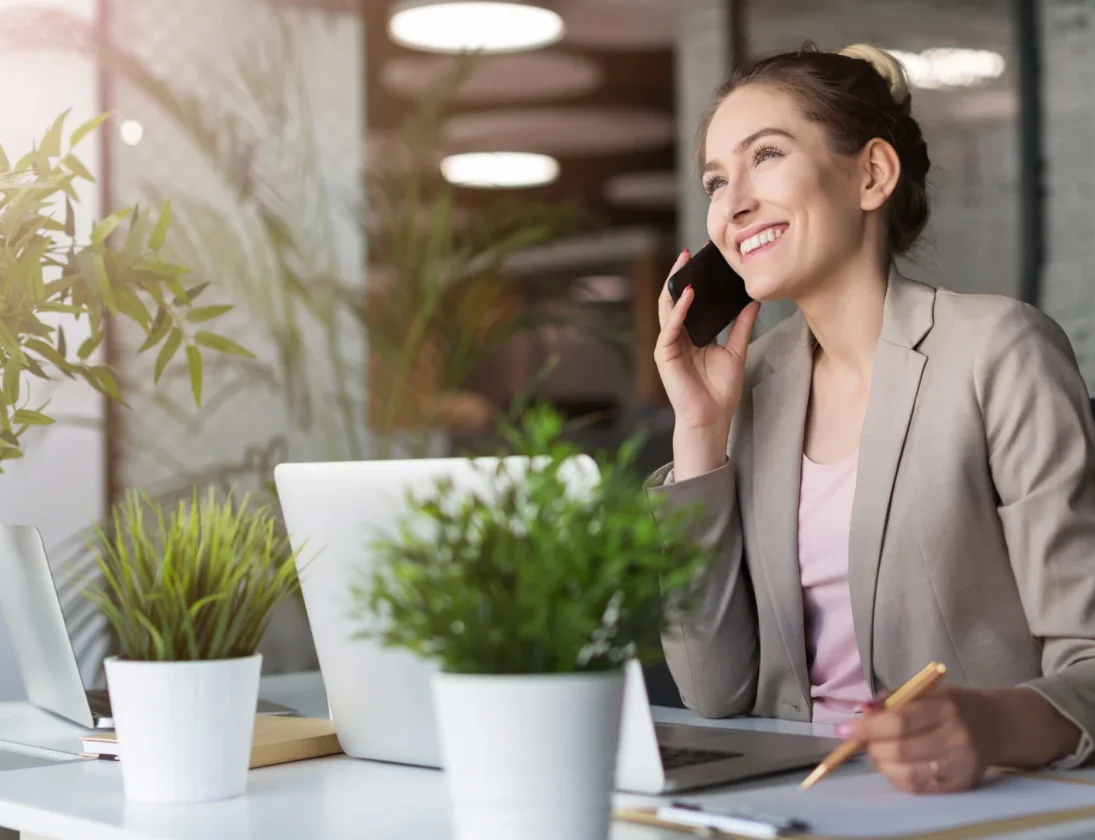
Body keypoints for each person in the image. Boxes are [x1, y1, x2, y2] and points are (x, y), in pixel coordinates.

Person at [648, 42, 1095, 794]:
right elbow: (710, 690)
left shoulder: (997, 350)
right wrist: (698, 432)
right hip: (794, 799)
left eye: (766, 156)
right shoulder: (752, 385)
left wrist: (983, 725)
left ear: (872, 175)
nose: (731, 204)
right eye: (716, 180)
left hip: (966, 804)